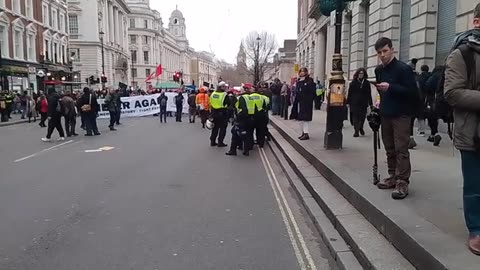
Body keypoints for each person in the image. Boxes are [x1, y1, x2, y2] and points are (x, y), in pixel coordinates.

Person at [444, 3, 480, 255]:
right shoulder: (462, 54)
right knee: (475, 186)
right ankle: (476, 229)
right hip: (473, 133)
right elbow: (452, 93)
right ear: (477, 22)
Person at [374, 37, 418, 200]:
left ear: (392, 50)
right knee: (389, 147)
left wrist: (390, 87)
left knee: (401, 149)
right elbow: (380, 92)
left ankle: (402, 181)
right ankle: (392, 175)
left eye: (385, 51)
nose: (382, 55)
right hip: (386, 113)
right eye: (379, 53)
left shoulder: (403, 69)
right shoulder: (379, 70)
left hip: (401, 114)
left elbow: (412, 92)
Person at [226, 87, 254, 156]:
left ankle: (233, 151)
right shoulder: (250, 98)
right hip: (250, 119)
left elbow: (243, 110)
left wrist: (238, 118)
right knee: (246, 134)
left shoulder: (242, 98)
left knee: (235, 133)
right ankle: (246, 150)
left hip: (242, 119)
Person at [347, 68, 373, 137]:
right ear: (357, 74)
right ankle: (356, 131)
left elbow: (369, 93)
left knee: (362, 117)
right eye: (359, 73)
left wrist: (371, 103)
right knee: (355, 117)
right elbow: (350, 93)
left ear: (364, 74)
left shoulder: (367, 83)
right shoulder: (353, 82)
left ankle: (361, 127)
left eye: (362, 73)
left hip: (363, 103)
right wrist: (348, 102)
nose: (361, 75)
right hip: (354, 102)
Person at [296, 67, 316, 140]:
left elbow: (312, 92)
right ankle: (303, 132)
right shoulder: (299, 81)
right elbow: (297, 91)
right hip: (301, 102)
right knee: (300, 119)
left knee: (305, 119)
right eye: (300, 71)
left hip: (307, 103)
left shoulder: (309, 81)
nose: (302, 73)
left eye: (303, 71)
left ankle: (306, 133)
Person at [425, 66, 443, 146]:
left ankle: (434, 134)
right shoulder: (445, 76)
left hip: (433, 100)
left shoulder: (434, 77)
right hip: (445, 101)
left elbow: (427, 86)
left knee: (432, 118)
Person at [209, 81, 230, 147]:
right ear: (221, 87)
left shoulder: (213, 93)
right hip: (222, 113)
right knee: (222, 128)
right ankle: (220, 142)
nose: (225, 87)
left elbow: (210, 102)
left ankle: (212, 141)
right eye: (223, 86)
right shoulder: (224, 94)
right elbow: (228, 103)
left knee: (215, 128)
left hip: (214, 113)